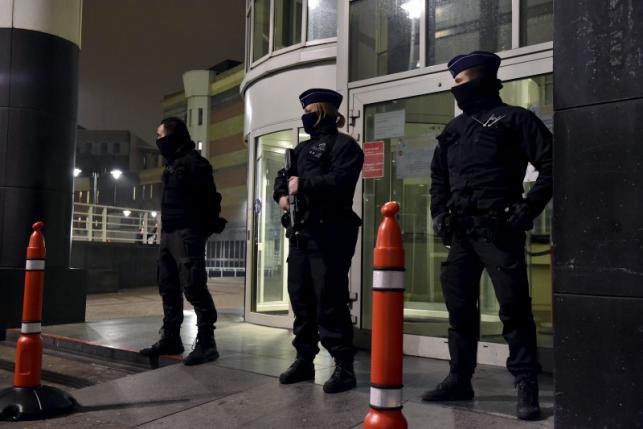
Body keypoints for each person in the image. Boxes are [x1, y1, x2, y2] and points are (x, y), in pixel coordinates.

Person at [424, 51, 552, 421]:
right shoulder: (454, 130)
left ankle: (526, 384)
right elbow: (438, 178)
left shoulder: (515, 119)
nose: (456, 89)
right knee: (459, 309)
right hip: (462, 234)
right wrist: (439, 214)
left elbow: (551, 163)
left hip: (499, 229)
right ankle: (459, 378)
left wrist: (528, 208)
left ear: (481, 77)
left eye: (461, 82)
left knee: (513, 307)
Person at [273, 88, 364, 394]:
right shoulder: (299, 151)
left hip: (330, 233)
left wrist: (304, 184)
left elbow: (341, 182)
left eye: (310, 109)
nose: (306, 114)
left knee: (330, 300)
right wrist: (283, 195)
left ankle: (343, 365)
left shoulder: (345, 146)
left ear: (324, 111)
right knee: (301, 298)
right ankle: (304, 359)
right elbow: (281, 179)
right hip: (302, 233)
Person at [140, 117, 226, 366]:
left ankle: (208, 343)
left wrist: (199, 231)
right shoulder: (171, 165)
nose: (157, 140)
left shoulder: (195, 164)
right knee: (168, 286)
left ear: (173, 136)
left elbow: (211, 201)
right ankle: (171, 338)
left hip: (187, 234)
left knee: (194, 286)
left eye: (160, 135)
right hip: (168, 234)